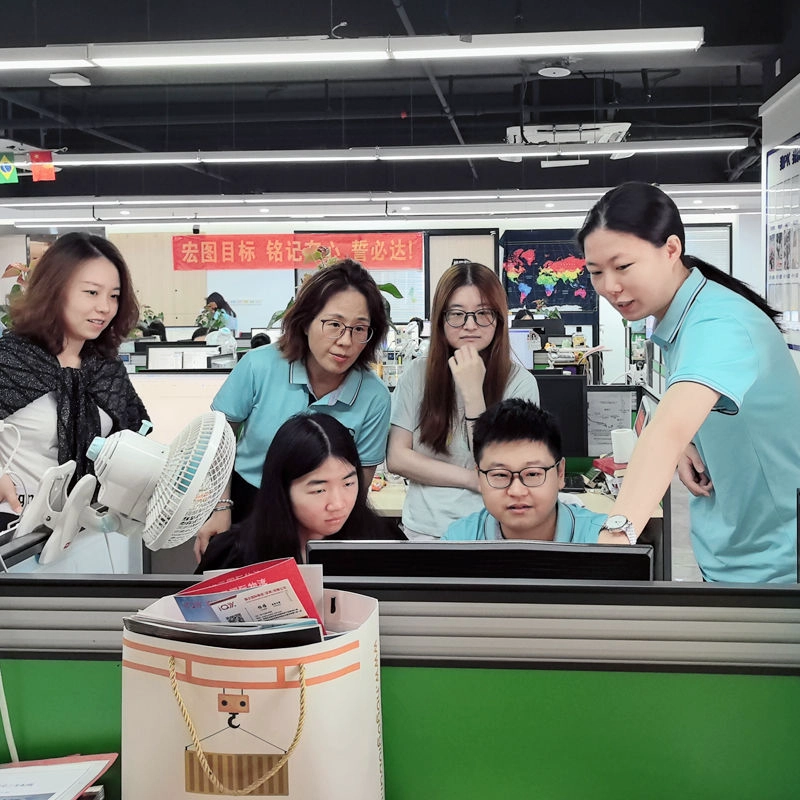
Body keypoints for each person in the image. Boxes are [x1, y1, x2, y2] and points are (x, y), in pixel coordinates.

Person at [578, 181, 800, 583]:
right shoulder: (684, 314)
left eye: (623, 266)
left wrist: (615, 538)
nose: (609, 286)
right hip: (735, 548)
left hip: (777, 562)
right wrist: (688, 443)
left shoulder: (718, 323)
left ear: (671, 249)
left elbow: (666, 431)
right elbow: (685, 418)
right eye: (595, 272)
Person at [194, 258, 391, 560]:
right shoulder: (259, 366)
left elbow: (359, 480)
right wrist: (220, 507)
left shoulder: (374, 396)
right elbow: (219, 440)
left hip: (322, 519)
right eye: (334, 325)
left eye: (359, 329)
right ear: (306, 321)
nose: (346, 341)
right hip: (249, 504)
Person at [0, 232, 149, 530]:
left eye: (114, 295)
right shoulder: (8, 360)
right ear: (54, 290)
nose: (105, 307)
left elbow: (132, 440)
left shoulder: (106, 369)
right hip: (15, 527)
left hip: (87, 527)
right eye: (92, 292)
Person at [387, 261, 540, 540]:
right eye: (457, 314)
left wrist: (472, 393)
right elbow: (397, 458)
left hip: (493, 530)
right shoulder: (417, 374)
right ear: (440, 319)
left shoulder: (521, 383)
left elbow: (496, 467)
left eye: (483, 313)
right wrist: (471, 479)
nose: (470, 325)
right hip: (423, 530)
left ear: (499, 318)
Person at [198, 413, 403, 571]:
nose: (338, 504)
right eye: (319, 490)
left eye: (348, 484)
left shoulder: (385, 544)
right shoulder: (233, 553)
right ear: (283, 488)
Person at [443, 399, 605, 542]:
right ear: (479, 477)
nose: (517, 491)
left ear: (560, 473)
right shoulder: (458, 541)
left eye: (532, 474)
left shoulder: (601, 538)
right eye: (500, 474)